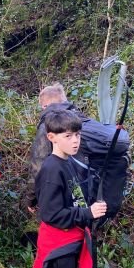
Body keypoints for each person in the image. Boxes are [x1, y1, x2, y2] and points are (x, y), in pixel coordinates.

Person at [27, 109, 107, 268]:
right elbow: (51, 214)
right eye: (68, 136)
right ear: (51, 137)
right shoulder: (52, 169)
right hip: (58, 248)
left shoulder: (69, 162)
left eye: (78, 135)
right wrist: (87, 213)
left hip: (71, 243)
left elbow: (73, 198)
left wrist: (90, 208)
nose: (75, 141)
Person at [25, 83, 82, 214]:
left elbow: (38, 164)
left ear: (45, 106)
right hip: (84, 189)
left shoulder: (49, 125)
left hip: (61, 197)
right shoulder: (78, 118)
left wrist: (31, 198)